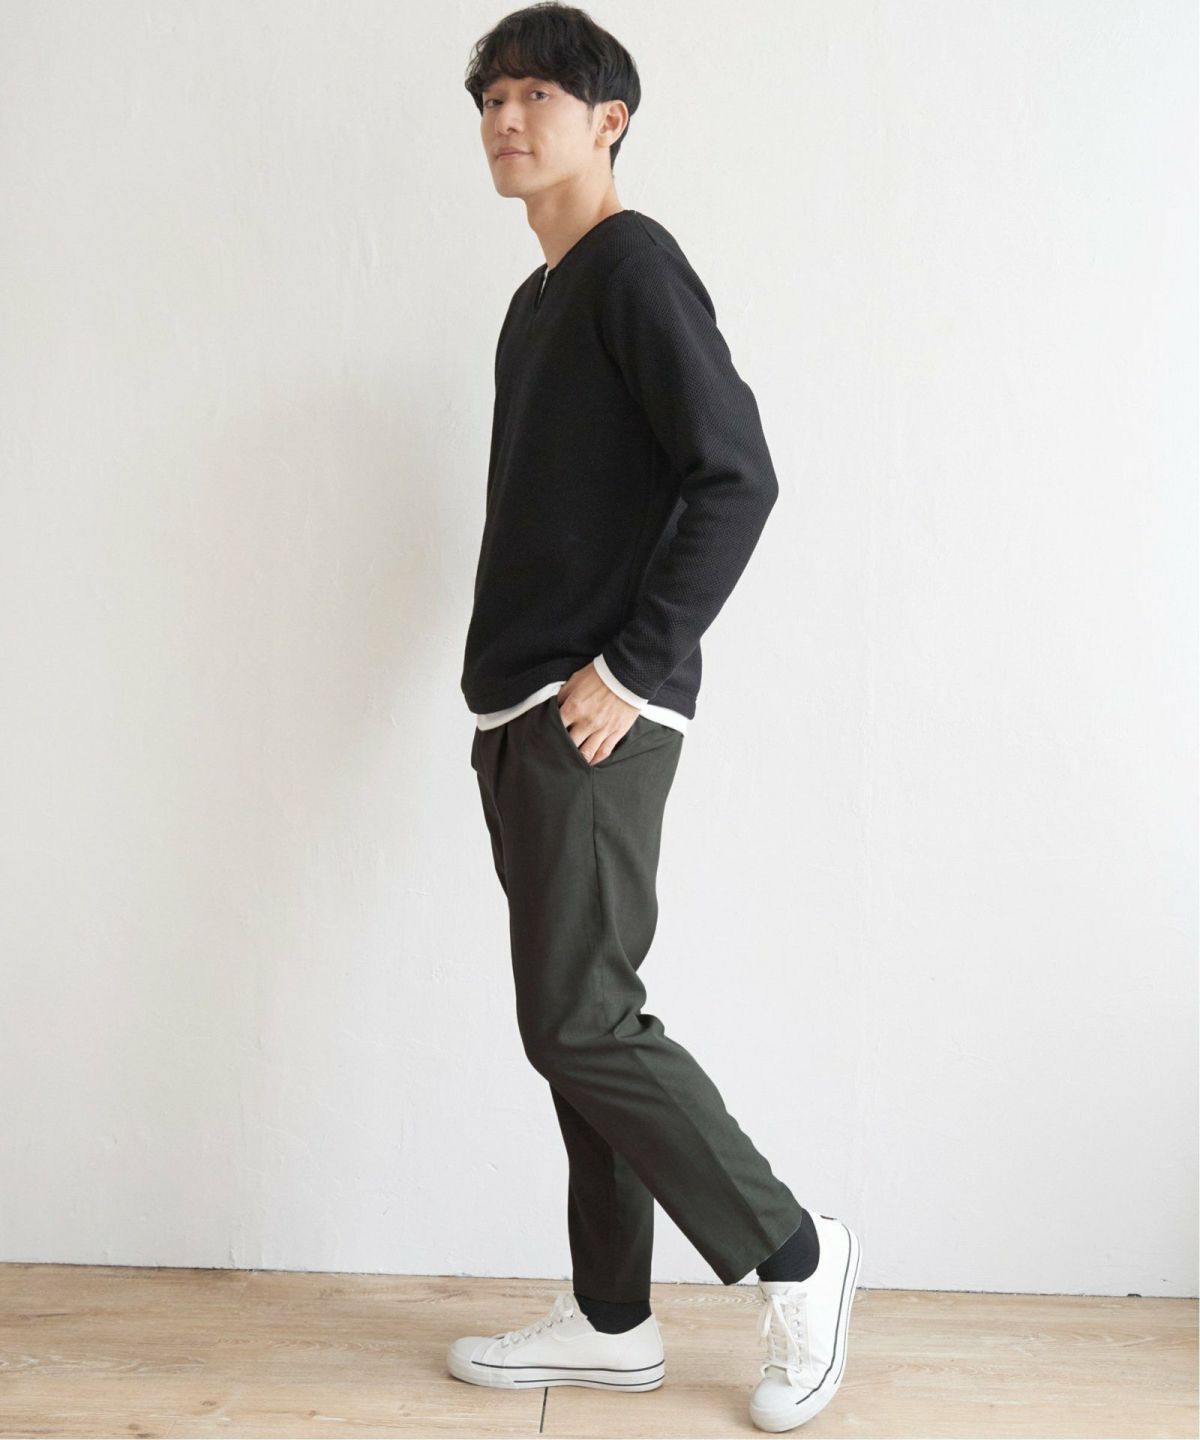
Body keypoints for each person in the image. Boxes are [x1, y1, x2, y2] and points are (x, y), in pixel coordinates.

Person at [448, 5, 862, 1430]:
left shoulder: (633, 265)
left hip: (595, 712)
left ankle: (798, 1256)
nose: (507, 119)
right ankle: (613, 1320)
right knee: (582, 1023)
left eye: (536, 94)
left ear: (608, 118)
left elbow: (736, 475)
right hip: (522, 709)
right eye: (490, 98)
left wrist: (631, 669)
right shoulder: (537, 304)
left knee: (579, 1020)